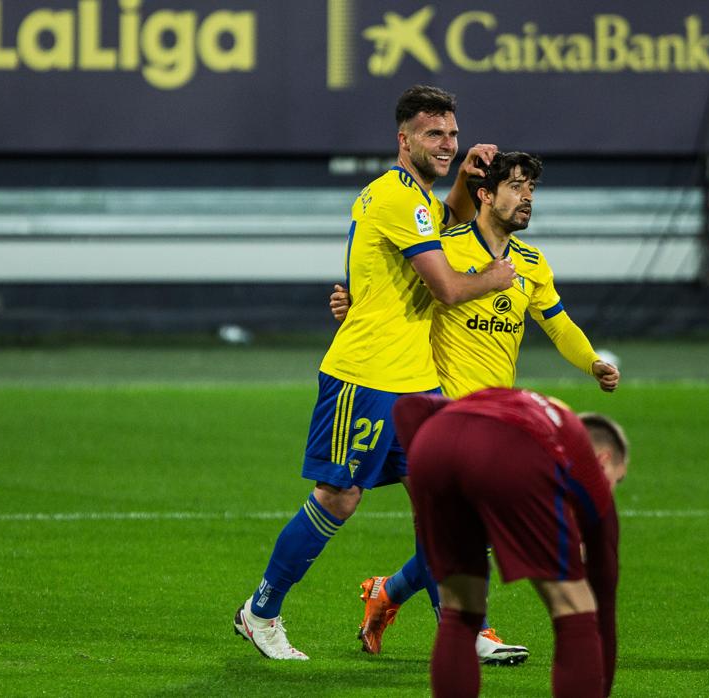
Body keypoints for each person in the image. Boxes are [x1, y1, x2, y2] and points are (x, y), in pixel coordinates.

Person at [231, 84, 517, 660]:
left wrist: (463, 175)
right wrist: (495, 277)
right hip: (365, 377)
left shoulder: (411, 197)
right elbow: (446, 287)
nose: (446, 143)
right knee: (339, 498)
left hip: (415, 381)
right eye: (434, 134)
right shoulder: (396, 196)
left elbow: (445, 217)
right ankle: (260, 612)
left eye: (453, 134)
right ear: (403, 138)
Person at [333, 151, 621, 664]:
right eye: (515, 186)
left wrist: (592, 362)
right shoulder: (445, 248)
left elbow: (558, 323)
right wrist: (350, 303)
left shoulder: (530, 264)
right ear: (485, 195)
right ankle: (474, 631)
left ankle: (388, 592)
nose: (526, 197)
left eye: (531, 188)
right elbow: (390, 289)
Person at [391, 388, 627, 697]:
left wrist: (427, 468)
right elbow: (604, 590)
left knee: (460, 611)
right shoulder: (580, 452)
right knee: (574, 604)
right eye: (616, 479)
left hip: (432, 446)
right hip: (511, 452)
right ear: (604, 458)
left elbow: (408, 407)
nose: (611, 488)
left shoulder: (510, 402)